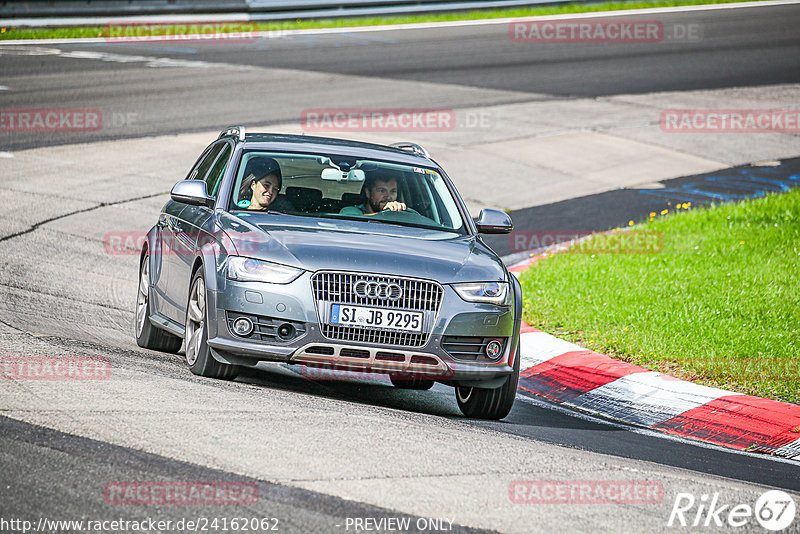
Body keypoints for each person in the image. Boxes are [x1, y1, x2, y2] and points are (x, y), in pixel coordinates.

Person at [339, 172, 408, 216]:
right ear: (368, 193)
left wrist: (399, 213)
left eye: (393, 191)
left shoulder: (400, 215)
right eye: (382, 191)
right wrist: (387, 213)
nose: (388, 197)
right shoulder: (350, 211)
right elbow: (351, 222)